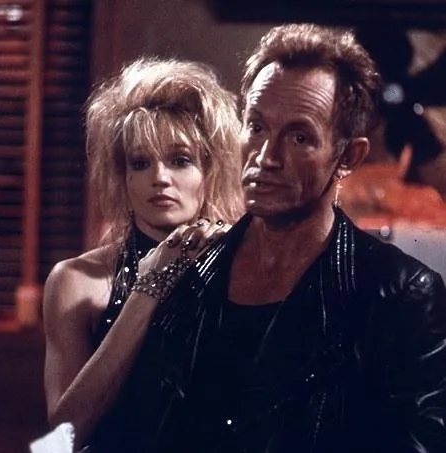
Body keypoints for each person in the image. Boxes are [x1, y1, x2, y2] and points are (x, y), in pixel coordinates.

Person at [85, 24, 446, 453]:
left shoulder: (401, 295)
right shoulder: (185, 272)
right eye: (256, 127)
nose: (266, 156)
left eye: (299, 137)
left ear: (348, 156)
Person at [42, 57, 243, 449]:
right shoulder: (77, 281)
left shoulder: (245, 267)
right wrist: (148, 287)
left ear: (209, 171)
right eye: (141, 163)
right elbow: (62, 438)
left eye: (180, 160)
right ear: (123, 177)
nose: (160, 178)